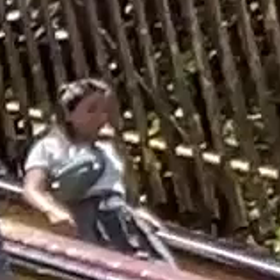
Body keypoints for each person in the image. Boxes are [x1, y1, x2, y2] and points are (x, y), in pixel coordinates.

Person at [26, 73, 174, 264]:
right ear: (69, 114)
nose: (100, 117)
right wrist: (52, 210)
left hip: (119, 219)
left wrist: (136, 210)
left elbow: (123, 189)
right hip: (85, 220)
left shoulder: (108, 148)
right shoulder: (50, 147)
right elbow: (32, 188)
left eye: (104, 111)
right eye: (91, 110)